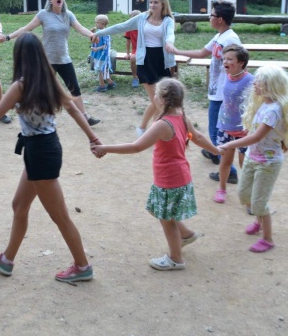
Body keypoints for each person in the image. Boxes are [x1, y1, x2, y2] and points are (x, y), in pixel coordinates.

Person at [0, 33, 100, 283]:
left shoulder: (21, 86)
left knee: (60, 216)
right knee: (19, 205)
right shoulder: (49, 79)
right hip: (43, 149)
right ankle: (7, 260)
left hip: (40, 154)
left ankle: (82, 266)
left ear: (19, 57)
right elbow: (73, 109)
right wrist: (92, 138)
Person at [91, 79, 219, 271]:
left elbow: (136, 147)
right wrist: (215, 150)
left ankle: (176, 259)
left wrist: (105, 148)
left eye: (157, 94)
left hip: (170, 179)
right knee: (160, 211)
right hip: (179, 176)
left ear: (162, 100)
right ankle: (185, 234)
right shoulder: (181, 117)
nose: (154, 97)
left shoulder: (162, 125)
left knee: (166, 219)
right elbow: (197, 137)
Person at [217, 66, 288, 253]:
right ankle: (259, 220)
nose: (254, 83)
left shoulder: (274, 110)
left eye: (259, 81)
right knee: (244, 194)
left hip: (268, 163)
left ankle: (268, 239)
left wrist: (229, 145)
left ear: (271, 85)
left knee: (259, 202)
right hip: (252, 157)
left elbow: (256, 137)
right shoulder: (265, 103)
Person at [1, 0, 101, 125]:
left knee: (74, 89)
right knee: (41, 89)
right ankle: (32, 115)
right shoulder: (43, 14)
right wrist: (8, 37)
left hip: (64, 59)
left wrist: (91, 34)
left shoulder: (68, 15)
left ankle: (85, 117)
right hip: (47, 61)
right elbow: (26, 28)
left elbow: (80, 28)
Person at [167, 0, 242, 178]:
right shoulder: (219, 36)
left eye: (212, 15)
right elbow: (202, 53)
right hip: (216, 91)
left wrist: (232, 92)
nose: (209, 17)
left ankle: (229, 172)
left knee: (216, 132)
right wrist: (177, 52)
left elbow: (239, 66)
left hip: (223, 94)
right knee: (216, 128)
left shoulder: (230, 39)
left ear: (220, 19)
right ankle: (213, 152)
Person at [91, 0, 176, 136]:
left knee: (160, 100)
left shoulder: (168, 20)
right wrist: (99, 33)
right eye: (151, 2)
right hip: (145, 60)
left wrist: (169, 43)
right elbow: (121, 27)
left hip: (161, 62)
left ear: (163, 4)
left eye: (156, 2)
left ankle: (149, 129)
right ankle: (150, 130)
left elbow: (170, 35)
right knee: (158, 100)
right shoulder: (142, 18)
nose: (152, 5)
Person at [211, 45, 254, 204]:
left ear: (241, 62)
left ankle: (249, 196)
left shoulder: (251, 80)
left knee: (246, 166)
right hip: (225, 127)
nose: (225, 62)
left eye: (230, 59)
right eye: (224, 59)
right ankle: (221, 189)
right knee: (225, 162)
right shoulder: (227, 75)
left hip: (244, 131)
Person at [91, 14, 116, 93]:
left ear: (103, 24)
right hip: (98, 54)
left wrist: (97, 48)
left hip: (102, 55)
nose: (96, 24)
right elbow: (93, 40)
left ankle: (102, 86)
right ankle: (111, 83)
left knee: (100, 70)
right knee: (103, 70)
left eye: (97, 22)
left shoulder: (105, 33)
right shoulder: (98, 32)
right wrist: (91, 33)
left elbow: (106, 45)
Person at [124, 11, 140, 87]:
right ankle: (135, 77)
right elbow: (128, 42)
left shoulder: (144, 27)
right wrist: (127, 53)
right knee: (133, 58)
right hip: (135, 49)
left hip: (147, 48)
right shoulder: (129, 28)